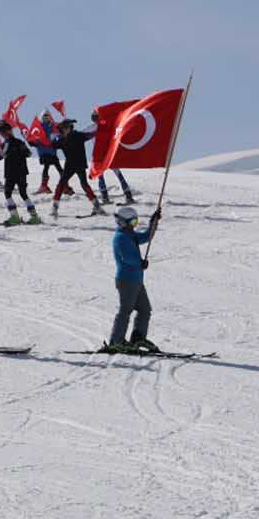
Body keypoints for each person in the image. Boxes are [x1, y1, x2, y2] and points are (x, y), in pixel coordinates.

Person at [103, 205, 163, 354]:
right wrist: (140, 263)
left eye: (136, 222)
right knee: (125, 310)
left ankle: (137, 337)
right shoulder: (120, 238)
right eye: (132, 222)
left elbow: (146, 237)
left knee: (145, 310)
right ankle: (116, 341)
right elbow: (128, 257)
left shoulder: (130, 234)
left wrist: (153, 223)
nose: (134, 225)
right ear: (123, 222)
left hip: (136, 280)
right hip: (126, 280)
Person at [50, 116, 104, 218]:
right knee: (61, 184)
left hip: (79, 164)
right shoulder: (62, 139)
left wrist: (100, 130)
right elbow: (53, 145)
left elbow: (90, 135)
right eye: (62, 129)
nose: (63, 130)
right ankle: (54, 208)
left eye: (65, 128)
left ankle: (97, 206)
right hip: (70, 165)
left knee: (84, 184)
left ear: (70, 128)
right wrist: (56, 136)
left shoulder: (78, 135)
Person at [88, 108, 137, 205]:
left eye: (96, 117)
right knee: (104, 175)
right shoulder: (93, 127)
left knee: (115, 174)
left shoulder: (101, 127)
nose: (96, 120)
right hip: (102, 156)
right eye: (94, 118)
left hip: (106, 155)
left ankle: (127, 195)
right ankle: (112, 196)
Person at [0, 122, 41, 225]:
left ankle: (15, 217)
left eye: (3, 132)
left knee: (8, 193)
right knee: (23, 193)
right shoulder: (19, 142)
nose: (3, 135)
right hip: (21, 171)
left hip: (12, 172)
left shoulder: (6, 144)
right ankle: (34, 216)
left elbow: (0, 156)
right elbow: (29, 153)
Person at [33, 120, 63, 196]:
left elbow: (57, 136)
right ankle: (44, 186)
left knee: (56, 167)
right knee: (50, 167)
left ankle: (63, 185)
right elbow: (35, 137)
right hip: (47, 152)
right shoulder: (42, 127)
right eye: (45, 117)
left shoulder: (51, 126)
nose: (46, 119)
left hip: (49, 151)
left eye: (47, 116)